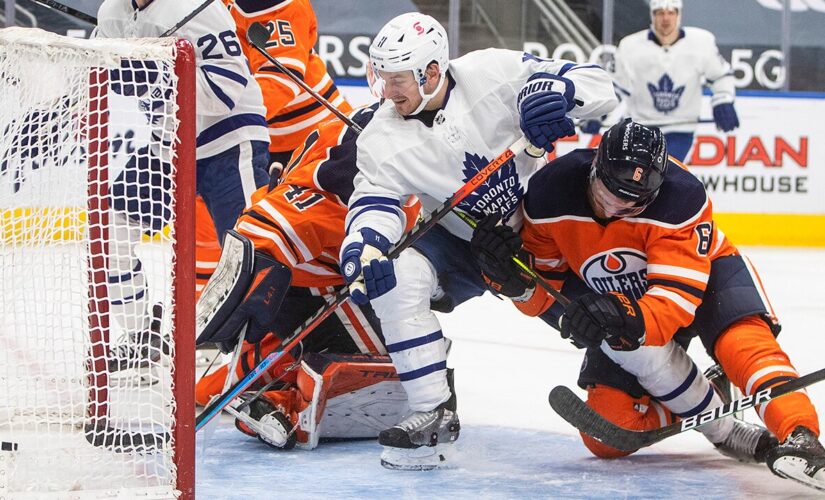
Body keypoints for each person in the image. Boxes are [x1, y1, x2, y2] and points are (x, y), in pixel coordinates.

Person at [469, 119, 824, 491]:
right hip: (624, 304)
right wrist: (515, 285)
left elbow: (675, 302)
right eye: (610, 192)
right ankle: (711, 400)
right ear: (596, 167)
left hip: (705, 280)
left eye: (633, 201)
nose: (617, 207)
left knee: (744, 346)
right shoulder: (549, 194)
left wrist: (621, 313)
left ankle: (802, 438)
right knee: (605, 436)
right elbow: (546, 292)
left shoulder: (682, 197)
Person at [338, 12, 618, 470]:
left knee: (600, 327)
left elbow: (597, 83)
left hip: (540, 230)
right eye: (381, 79)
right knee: (399, 277)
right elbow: (375, 199)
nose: (387, 92)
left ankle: (670, 388)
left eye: (397, 80)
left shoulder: (492, 72)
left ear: (431, 72)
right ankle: (432, 409)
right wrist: (364, 245)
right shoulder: (380, 135)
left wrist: (562, 94)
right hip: (460, 245)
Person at [194, 104, 421, 449]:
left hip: (296, 274)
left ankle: (244, 378)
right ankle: (284, 406)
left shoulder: (362, 127)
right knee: (407, 377)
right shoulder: (374, 157)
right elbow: (288, 224)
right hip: (309, 279)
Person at [95, 0, 272, 370]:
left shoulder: (197, 8)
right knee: (110, 232)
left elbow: (229, 87)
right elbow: (96, 67)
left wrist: (159, 74)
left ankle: (264, 354)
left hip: (228, 140)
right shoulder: (112, 11)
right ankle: (143, 336)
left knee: (250, 252)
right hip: (169, 143)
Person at [581, 0, 739, 162]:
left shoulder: (701, 42)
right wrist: (597, 114)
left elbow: (721, 75)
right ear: (652, 15)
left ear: (679, 15)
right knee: (637, 178)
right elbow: (616, 87)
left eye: (671, 13)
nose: (666, 18)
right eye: (660, 13)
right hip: (640, 129)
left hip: (680, 130)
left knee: (663, 175)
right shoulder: (630, 46)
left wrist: (723, 99)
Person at [224, 0, 352, 169]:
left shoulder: (277, 6)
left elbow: (280, 78)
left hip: (318, 139)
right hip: (262, 137)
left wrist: (220, 121)